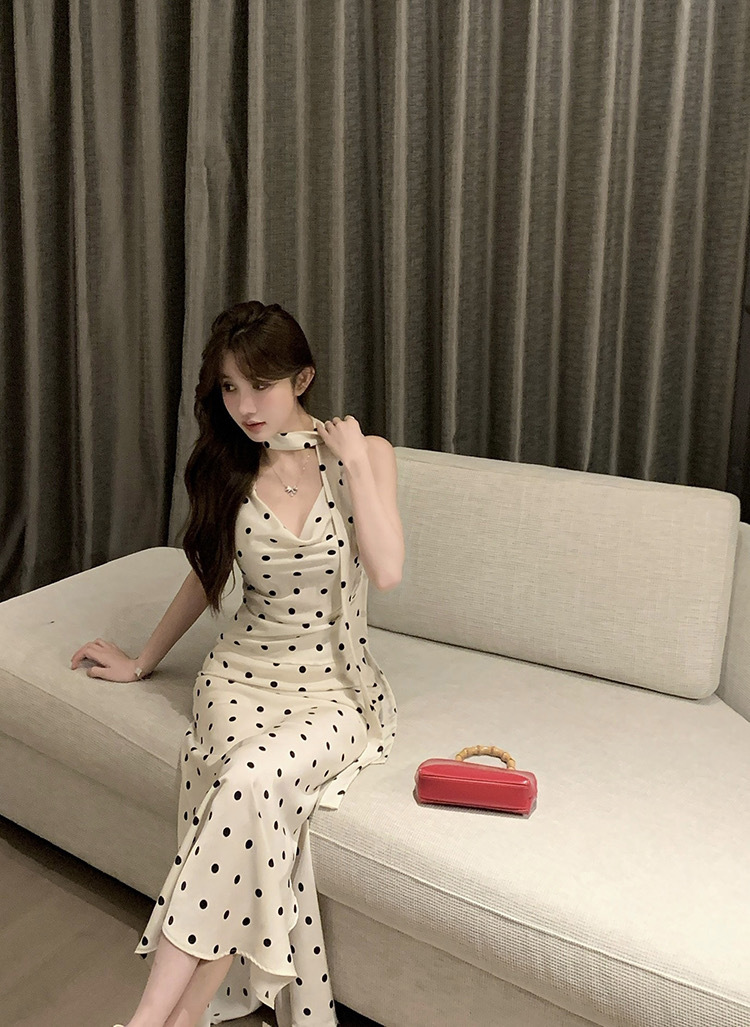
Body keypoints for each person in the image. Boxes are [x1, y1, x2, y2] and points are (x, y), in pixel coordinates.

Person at [70, 300, 404, 1027]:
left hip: (334, 692)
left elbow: (386, 570)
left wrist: (351, 462)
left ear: (302, 378)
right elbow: (207, 572)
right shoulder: (226, 467)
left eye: (261, 385)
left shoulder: (367, 454)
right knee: (253, 803)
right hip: (238, 680)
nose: (245, 406)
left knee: (250, 782)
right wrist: (143, 660)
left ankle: (156, 1020)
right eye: (228, 387)